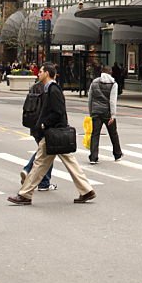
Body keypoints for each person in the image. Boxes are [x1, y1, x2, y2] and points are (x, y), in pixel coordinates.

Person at [7, 62, 95, 205]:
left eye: (40, 71)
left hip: (53, 133)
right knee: (63, 162)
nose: (38, 74)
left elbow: (58, 111)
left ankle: (25, 195)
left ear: (47, 73)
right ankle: (86, 190)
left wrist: (44, 124)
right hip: (55, 133)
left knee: (39, 164)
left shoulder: (53, 89)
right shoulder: (50, 89)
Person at [88, 65, 123, 164]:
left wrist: (91, 112)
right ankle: (117, 154)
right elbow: (112, 101)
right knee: (113, 134)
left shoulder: (94, 82)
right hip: (107, 112)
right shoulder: (113, 83)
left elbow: (90, 99)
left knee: (95, 134)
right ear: (110, 72)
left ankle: (93, 157)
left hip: (96, 112)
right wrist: (113, 115)